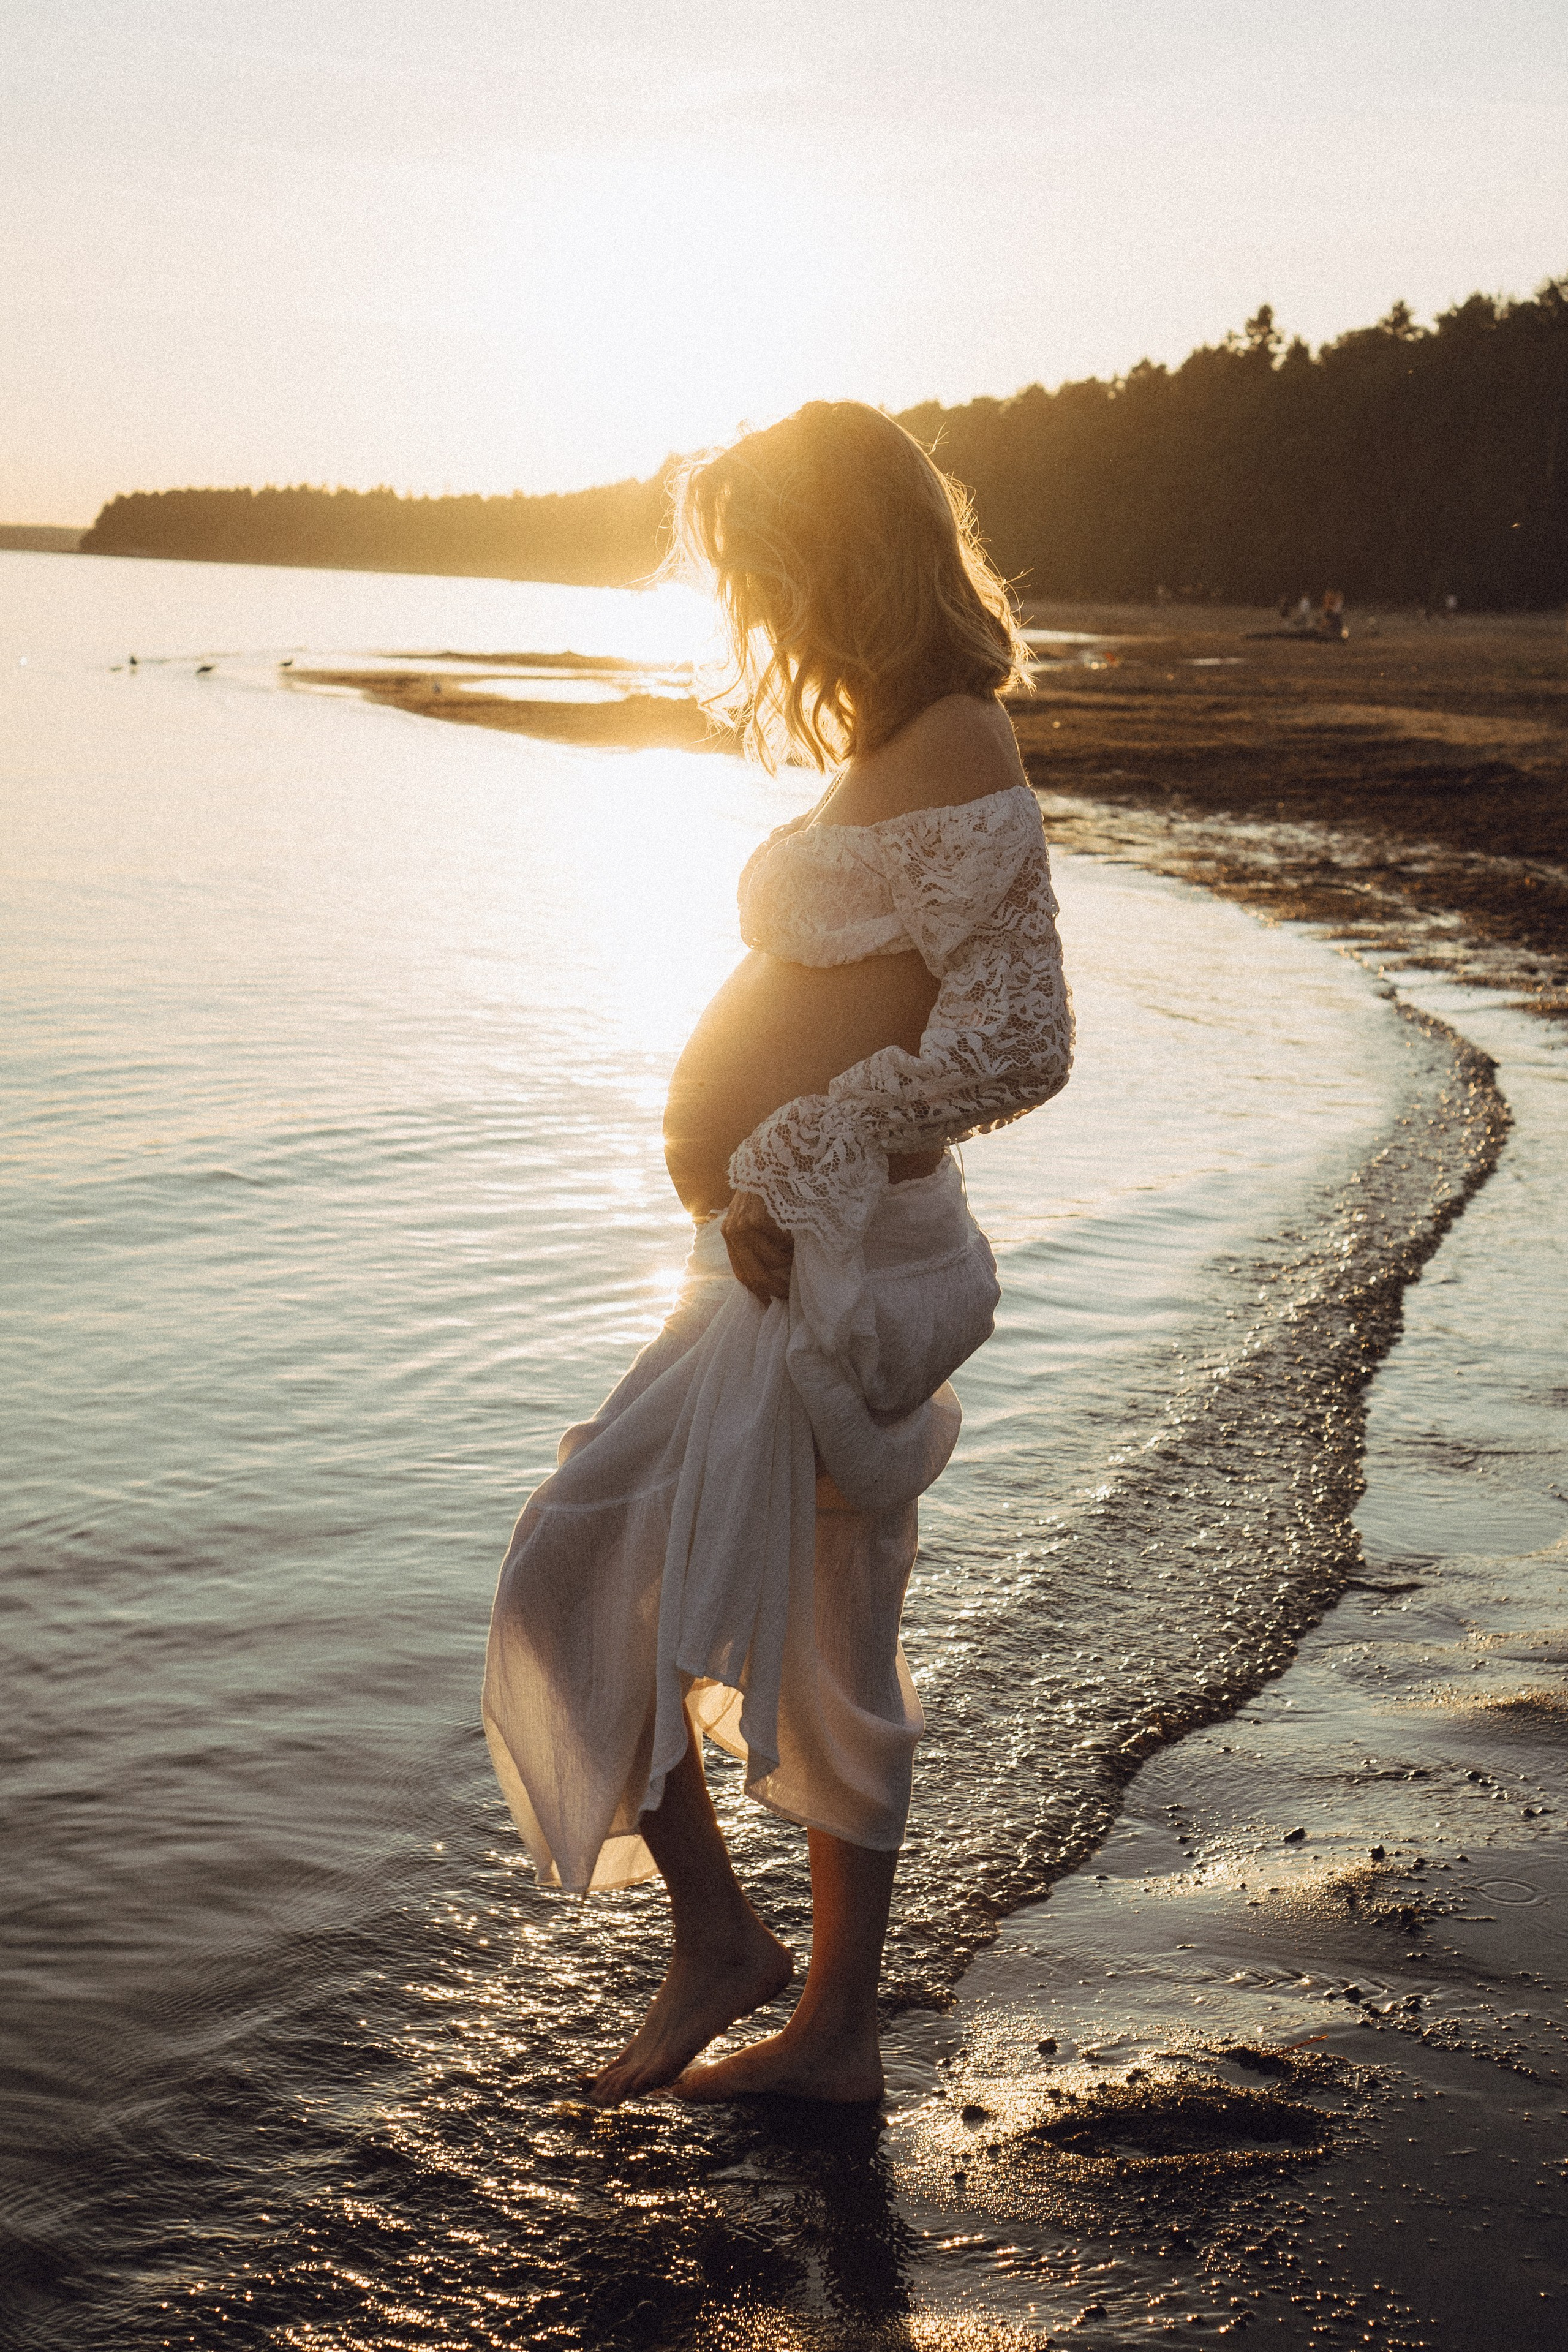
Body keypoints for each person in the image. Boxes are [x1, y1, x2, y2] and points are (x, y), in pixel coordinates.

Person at [482, 401, 1074, 2108]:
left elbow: (1021, 1036)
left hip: (822, 1265)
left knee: (581, 1570)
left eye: (766, 570)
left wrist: (803, 1149)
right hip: (775, 1264)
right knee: (796, 1625)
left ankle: (784, 1995)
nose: (758, 613)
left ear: (844, 558)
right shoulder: (909, 741)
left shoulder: (958, 738)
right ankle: (793, 2000)